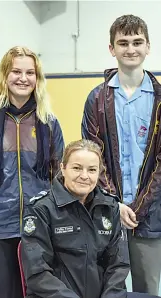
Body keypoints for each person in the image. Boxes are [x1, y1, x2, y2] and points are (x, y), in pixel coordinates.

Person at [81, 14, 161, 295]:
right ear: (111, 48)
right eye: (123, 42)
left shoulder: (160, 99)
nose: (131, 49)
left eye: (137, 42)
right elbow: (93, 158)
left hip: (150, 216)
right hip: (105, 211)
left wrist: (137, 208)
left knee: (147, 289)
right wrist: (115, 203)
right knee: (103, 287)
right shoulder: (97, 99)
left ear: (148, 47)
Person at [0, 46, 64, 298]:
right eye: (16, 71)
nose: (23, 78)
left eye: (30, 72)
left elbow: (59, 177)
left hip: (39, 226)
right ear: (4, 75)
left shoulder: (49, 122)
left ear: (37, 78)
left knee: (36, 293)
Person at [21, 139, 130, 298]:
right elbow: (38, 273)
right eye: (77, 168)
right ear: (63, 168)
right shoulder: (40, 209)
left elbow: (118, 266)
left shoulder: (110, 207)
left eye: (92, 170)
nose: (84, 176)